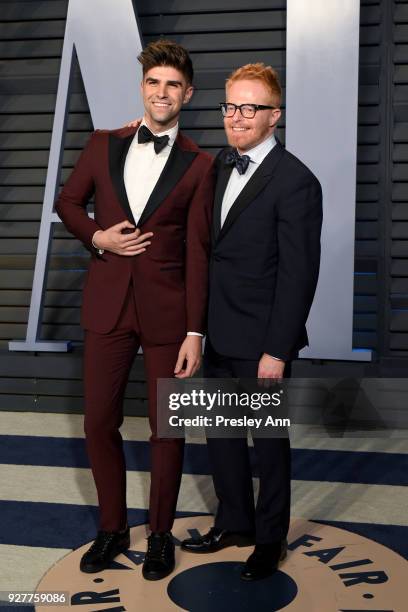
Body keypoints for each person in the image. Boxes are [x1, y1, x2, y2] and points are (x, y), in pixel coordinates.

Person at [55, 40, 214, 581]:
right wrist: (99, 237)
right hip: (107, 307)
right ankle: (112, 527)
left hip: (170, 315)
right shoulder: (102, 143)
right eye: (153, 82)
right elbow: (67, 203)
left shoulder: (200, 164)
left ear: (187, 94)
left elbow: (198, 251)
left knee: (168, 429)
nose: (161, 92)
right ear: (142, 88)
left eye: (172, 84)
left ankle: (162, 534)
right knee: (99, 420)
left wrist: (196, 330)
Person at [181, 63, 323, 581]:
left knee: (267, 443)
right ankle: (234, 522)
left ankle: (269, 538)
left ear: (274, 115)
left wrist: (278, 349)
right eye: (230, 106)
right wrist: (196, 328)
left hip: (264, 338)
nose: (237, 118)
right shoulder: (217, 166)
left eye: (250, 108)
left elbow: (299, 275)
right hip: (217, 330)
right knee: (221, 438)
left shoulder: (297, 181)